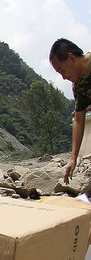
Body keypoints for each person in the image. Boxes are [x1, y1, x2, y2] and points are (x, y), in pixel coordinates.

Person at [50, 38, 91, 183]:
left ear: (71, 57)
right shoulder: (79, 86)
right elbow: (79, 120)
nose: (63, 77)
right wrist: (73, 158)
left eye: (61, 69)